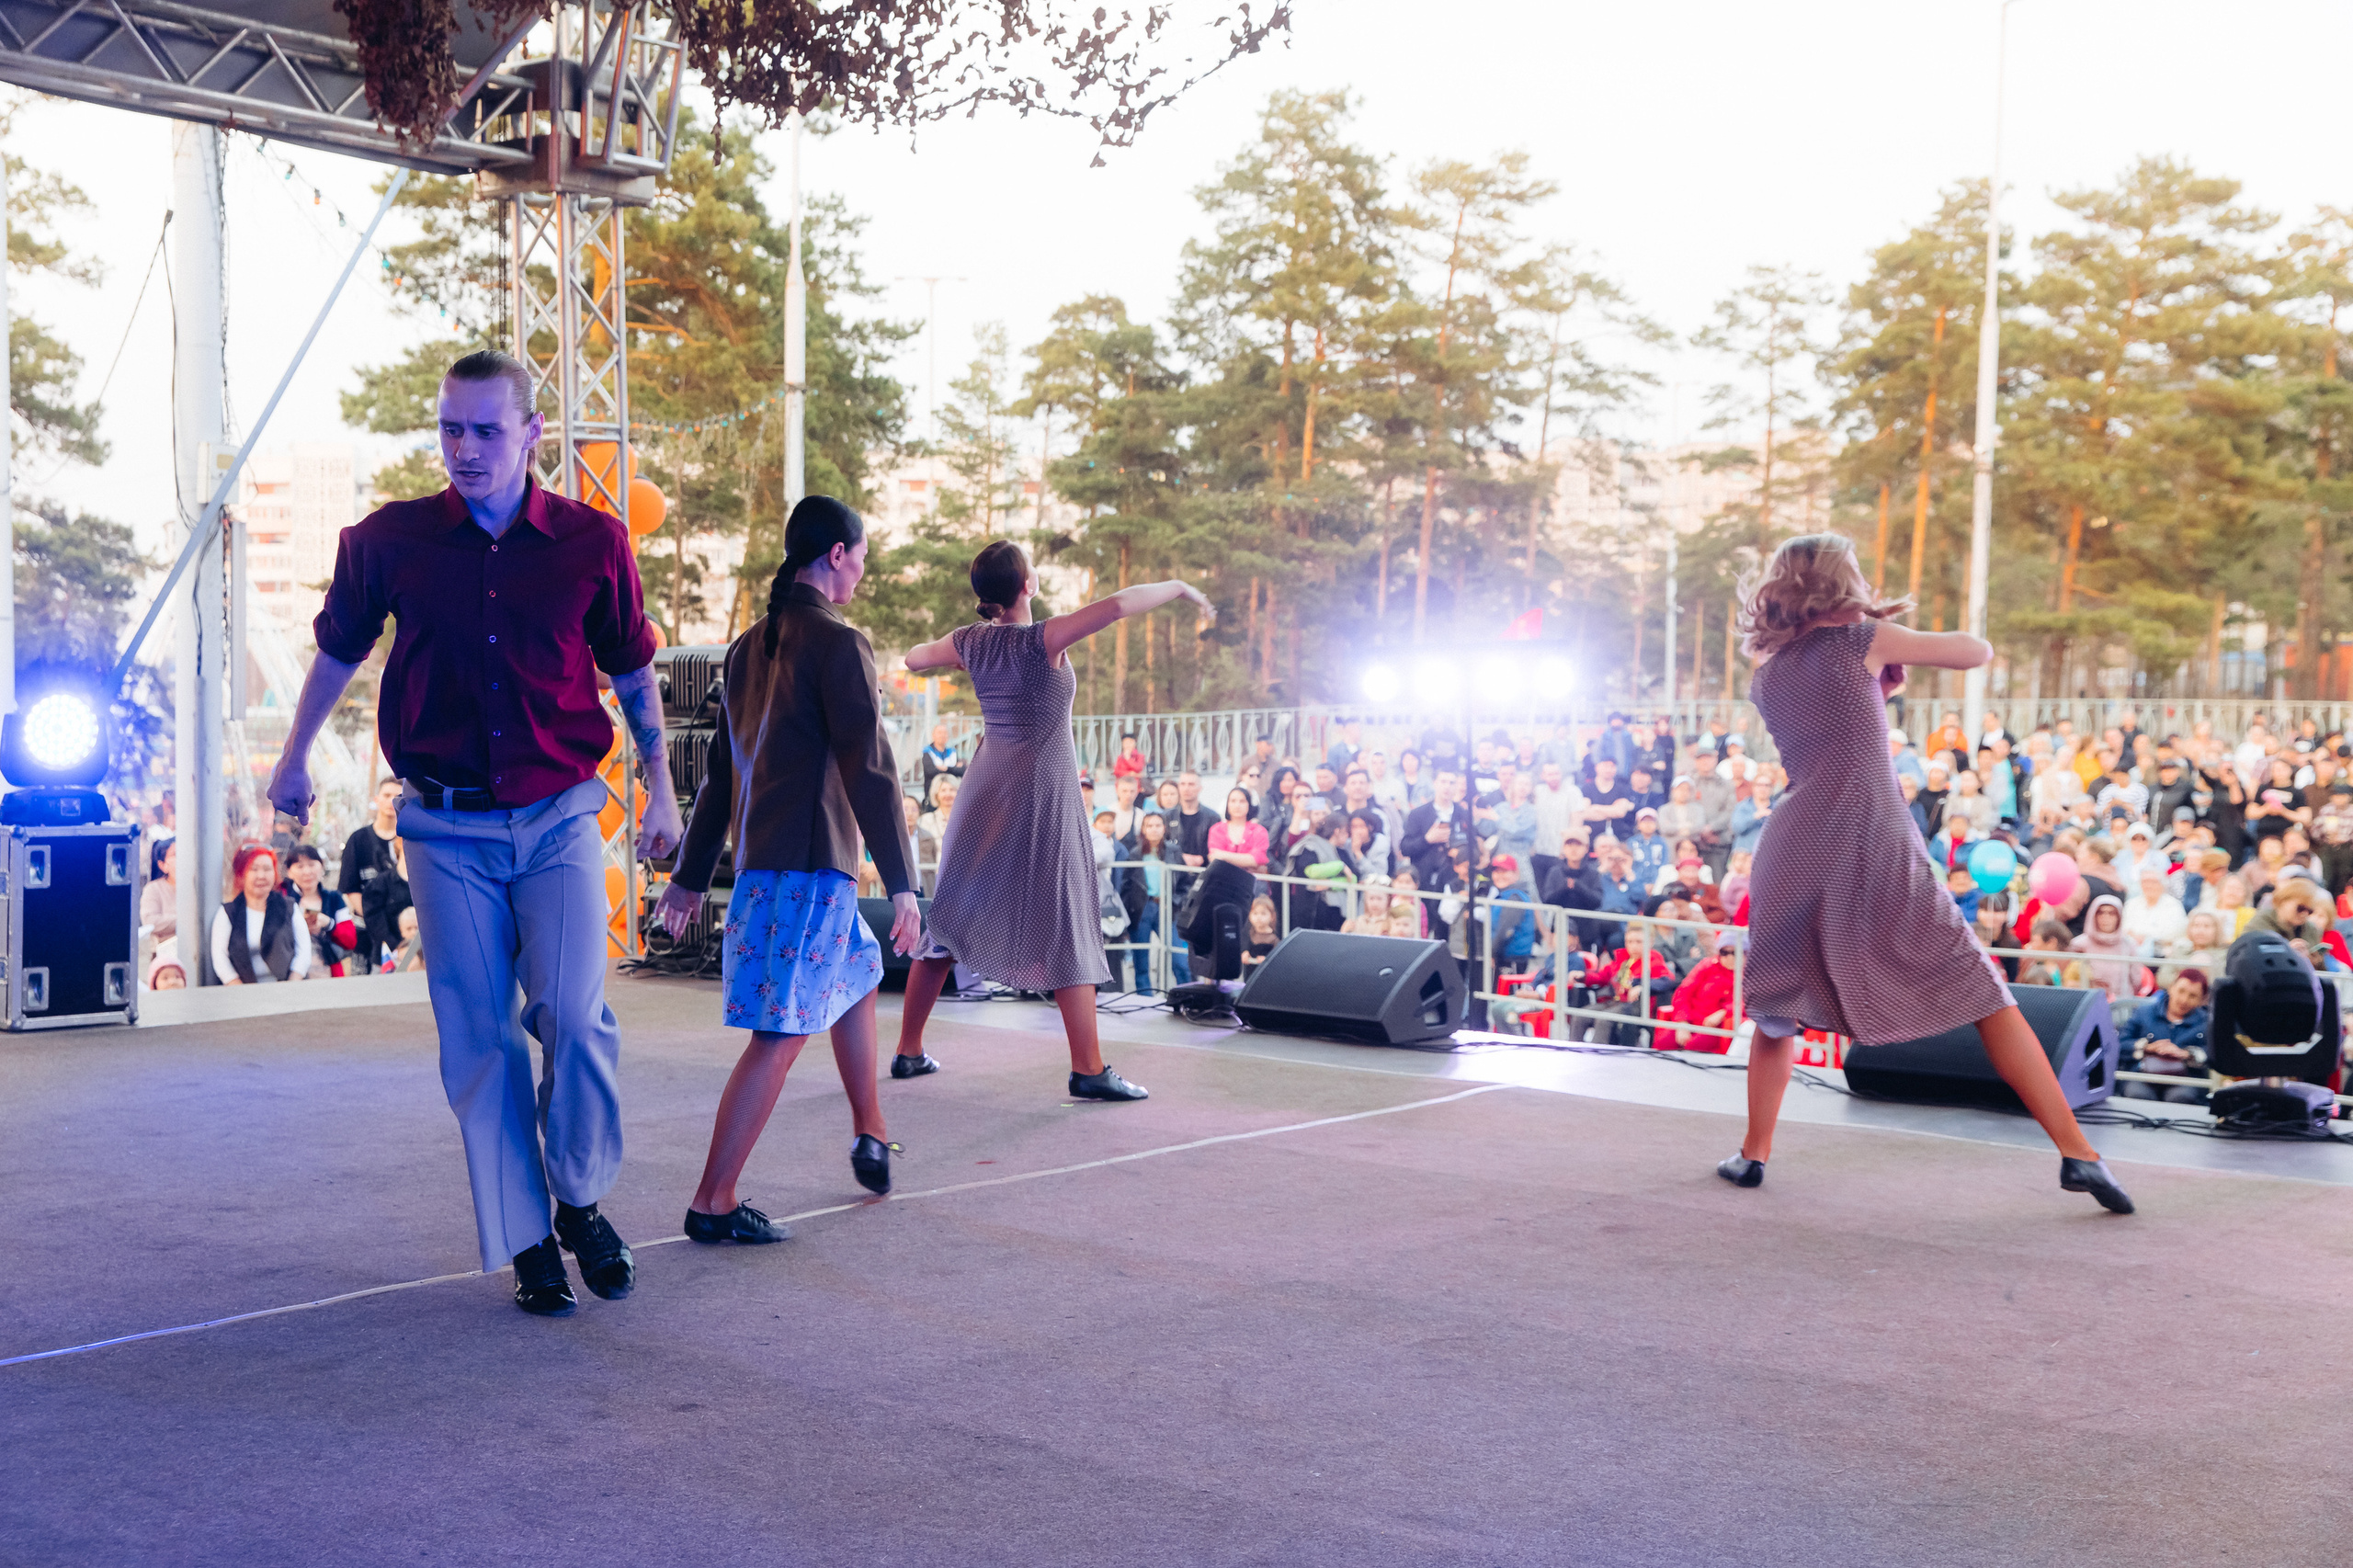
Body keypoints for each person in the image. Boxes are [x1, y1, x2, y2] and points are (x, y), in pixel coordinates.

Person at [268, 347, 683, 1317]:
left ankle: (576, 1196)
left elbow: (631, 673)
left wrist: (660, 789)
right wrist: (292, 756)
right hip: (446, 829)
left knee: (576, 1018)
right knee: (479, 1040)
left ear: (532, 432)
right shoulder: (389, 542)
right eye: (450, 428)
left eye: (486, 429)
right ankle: (528, 1237)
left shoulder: (593, 541)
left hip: (560, 818)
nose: (463, 448)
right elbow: (337, 649)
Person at [1720, 533, 2131, 1212]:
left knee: (1775, 1010)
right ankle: (2078, 1155)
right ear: (1839, 580)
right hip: (1869, 834)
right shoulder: (1860, 640)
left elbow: (1834, 726)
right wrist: (1884, 632)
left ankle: (1753, 1154)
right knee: (1987, 995)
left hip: (1793, 845)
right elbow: (1976, 651)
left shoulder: (1771, 672)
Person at [654, 497, 922, 1241]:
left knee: (858, 974)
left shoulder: (747, 645)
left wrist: (686, 876)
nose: (864, 569)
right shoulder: (839, 642)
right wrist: (905, 882)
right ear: (837, 554)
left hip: (768, 866)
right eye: (862, 556)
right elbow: (871, 766)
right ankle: (713, 1201)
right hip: (809, 869)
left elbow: (717, 776)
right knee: (778, 1033)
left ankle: (871, 1127)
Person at [893, 541, 1211, 1100]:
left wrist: (956, 642)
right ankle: (1088, 1068)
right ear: (1026, 587)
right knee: (1064, 913)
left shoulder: (971, 642)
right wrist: (1180, 588)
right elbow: (1117, 605)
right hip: (1040, 791)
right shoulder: (1043, 639)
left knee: (951, 918)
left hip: (984, 788)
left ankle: (908, 1051)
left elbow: (914, 658)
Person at [210, 843, 313, 984]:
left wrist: (291, 986)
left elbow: (304, 952)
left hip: (287, 992)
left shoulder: (289, 907)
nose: (261, 875)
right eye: (254, 869)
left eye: (267, 869)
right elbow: (220, 958)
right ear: (241, 874)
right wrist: (239, 990)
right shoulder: (229, 913)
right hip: (244, 996)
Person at [338, 777, 411, 969]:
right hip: (367, 931)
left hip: (407, 933)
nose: (391, 801)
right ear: (377, 799)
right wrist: (374, 918)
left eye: (398, 796)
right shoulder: (358, 839)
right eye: (387, 795)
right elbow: (350, 886)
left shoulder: (411, 839)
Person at [2118, 970, 2211, 1103]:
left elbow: (2215, 1054)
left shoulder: (2205, 1023)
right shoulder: (2144, 1012)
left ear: (2202, 1000)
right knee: (2138, 1095)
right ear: (2171, 988)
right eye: (2181, 991)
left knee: (2181, 1097)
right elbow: (2120, 1043)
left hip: (2185, 1078)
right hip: (2143, 1075)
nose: (2184, 1000)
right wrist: (2148, 1048)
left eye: (2192, 996)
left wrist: (2186, 1054)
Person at [280, 844, 358, 977]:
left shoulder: (334, 898)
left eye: (311, 864)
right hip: (290, 973)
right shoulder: (282, 899)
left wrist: (329, 924)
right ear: (289, 871)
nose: (307, 872)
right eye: (300, 866)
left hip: (329, 972)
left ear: (322, 867)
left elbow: (351, 941)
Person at [140, 836, 177, 982]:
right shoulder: (154, 889)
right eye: (176, 854)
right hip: (164, 960)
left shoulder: (196, 888)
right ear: (162, 865)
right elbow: (150, 921)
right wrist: (183, 921)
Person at [1208, 786, 1270, 871]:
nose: (1237, 805)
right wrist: (1247, 862)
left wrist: (1223, 855)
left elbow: (1257, 859)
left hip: (1252, 882)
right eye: (1233, 801)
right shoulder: (1217, 830)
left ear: (1249, 805)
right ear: (1227, 805)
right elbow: (1215, 859)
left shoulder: (1259, 831)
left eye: (1242, 801)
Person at [920, 724, 962, 794]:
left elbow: (962, 771)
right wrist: (953, 769)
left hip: (952, 792)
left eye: (945, 733)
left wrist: (946, 768)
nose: (942, 735)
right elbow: (931, 771)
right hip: (933, 793)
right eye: (940, 733)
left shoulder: (952, 752)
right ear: (933, 735)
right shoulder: (927, 751)